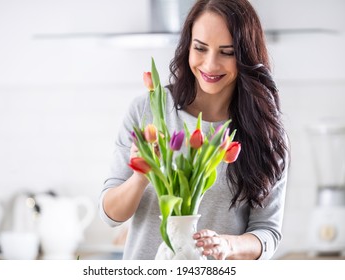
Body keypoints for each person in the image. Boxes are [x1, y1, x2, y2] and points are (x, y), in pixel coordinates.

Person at [99, 0, 289, 260]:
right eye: (200, 48)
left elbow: (267, 232)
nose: (210, 64)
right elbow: (110, 214)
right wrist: (141, 175)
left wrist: (228, 245)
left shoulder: (265, 133)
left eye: (227, 52)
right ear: (188, 46)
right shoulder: (147, 110)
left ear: (245, 55)